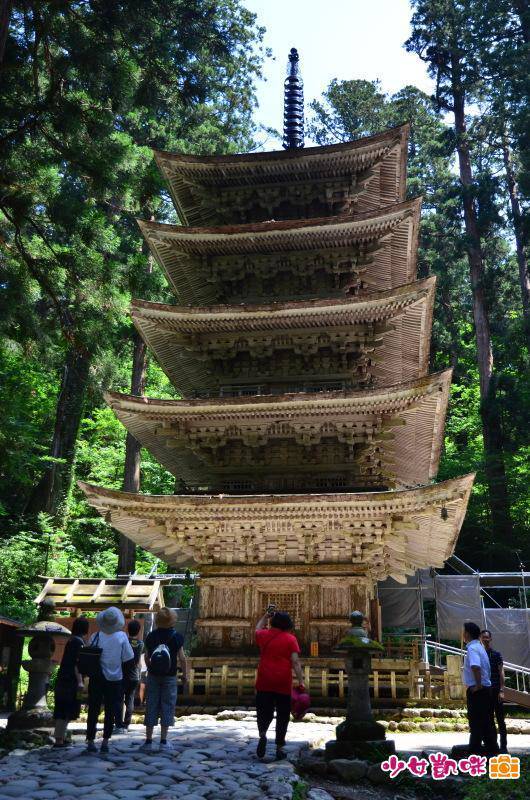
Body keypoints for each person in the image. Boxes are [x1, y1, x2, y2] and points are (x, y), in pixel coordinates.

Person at [255, 606, 305, 761]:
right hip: (283, 681)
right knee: (283, 715)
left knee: (264, 711)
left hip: (264, 679)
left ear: (273, 622)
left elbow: (257, 628)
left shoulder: (263, 635)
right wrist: (301, 680)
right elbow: (295, 662)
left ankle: (263, 735)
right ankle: (279, 747)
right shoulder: (291, 639)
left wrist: (265, 616)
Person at [85, 606, 134, 754]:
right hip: (115, 678)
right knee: (110, 710)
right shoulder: (121, 637)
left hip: (96, 677)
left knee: (93, 709)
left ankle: (91, 741)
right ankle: (105, 741)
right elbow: (129, 658)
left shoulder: (95, 636)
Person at [140, 607, 188, 752]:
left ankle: (148, 741)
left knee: (152, 704)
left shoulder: (151, 636)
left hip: (154, 676)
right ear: (172, 621)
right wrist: (185, 675)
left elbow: (147, 657)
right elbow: (182, 658)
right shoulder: (177, 637)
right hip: (170, 676)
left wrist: (150, 668)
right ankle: (163, 741)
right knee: (167, 705)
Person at [462, 621, 498, 757]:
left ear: (467, 633)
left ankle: (474, 754)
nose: (462, 634)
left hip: (478, 690)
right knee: (486, 722)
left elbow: (475, 666)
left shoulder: (472, 648)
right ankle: (491, 751)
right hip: (486, 689)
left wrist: (477, 685)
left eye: (463, 631)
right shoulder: (480, 646)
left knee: (476, 723)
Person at [53, 616, 89, 747]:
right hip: (71, 681)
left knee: (64, 709)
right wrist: (80, 681)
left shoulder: (72, 640)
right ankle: (59, 739)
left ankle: (61, 737)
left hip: (64, 679)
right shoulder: (78, 643)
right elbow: (76, 663)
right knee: (65, 709)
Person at [114, 618, 144, 733]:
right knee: (130, 699)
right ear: (138, 631)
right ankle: (127, 724)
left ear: (127, 629)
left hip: (122, 674)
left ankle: (119, 724)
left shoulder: (124, 642)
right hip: (134, 675)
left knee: (119, 699)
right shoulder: (141, 644)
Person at [481, 629, 507, 752]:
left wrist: (502, 690)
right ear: (480, 639)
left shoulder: (496, 654)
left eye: (487, 637)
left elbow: (501, 671)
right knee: (489, 719)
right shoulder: (479, 655)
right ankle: (493, 746)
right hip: (486, 692)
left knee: (500, 719)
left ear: (490, 639)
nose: (485, 639)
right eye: (483, 637)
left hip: (496, 689)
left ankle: (503, 746)